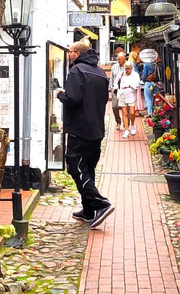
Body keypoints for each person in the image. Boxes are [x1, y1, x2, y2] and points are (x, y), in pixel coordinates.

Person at [56, 41, 115, 228]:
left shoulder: (76, 71)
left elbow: (72, 98)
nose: (69, 55)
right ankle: (89, 210)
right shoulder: (100, 72)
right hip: (96, 129)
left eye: (70, 52)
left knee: (76, 167)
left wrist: (60, 95)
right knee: (88, 169)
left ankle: (100, 203)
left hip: (79, 129)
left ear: (77, 54)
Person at [116, 61, 141, 138]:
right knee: (124, 113)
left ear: (132, 68)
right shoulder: (121, 74)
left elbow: (137, 84)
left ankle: (132, 124)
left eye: (129, 68)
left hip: (131, 95)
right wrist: (116, 88)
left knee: (132, 112)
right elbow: (116, 82)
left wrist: (129, 86)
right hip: (122, 94)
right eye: (126, 68)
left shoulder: (135, 75)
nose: (127, 70)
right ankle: (126, 130)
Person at [109, 51, 126, 131]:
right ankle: (118, 121)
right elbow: (112, 78)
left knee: (125, 108)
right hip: (116, 90)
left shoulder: (128, 66)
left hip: (125, 90)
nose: (118, 60)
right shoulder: (114, 67)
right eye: (117, 59)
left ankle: (126, 123)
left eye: (120, 59)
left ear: (124, 59)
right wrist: (111, 87)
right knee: (114, 106)